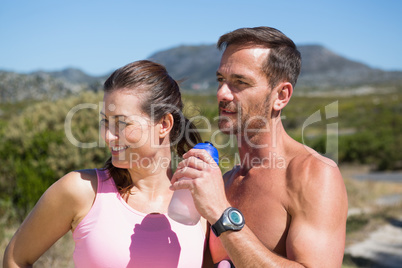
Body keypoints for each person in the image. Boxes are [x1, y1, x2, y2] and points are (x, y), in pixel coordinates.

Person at [171, 26, 348, 267]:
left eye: (240, 82)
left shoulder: (313, 174)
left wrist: (222, 214)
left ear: (281, 96)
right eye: (221, 80)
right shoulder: (224, 181)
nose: (222, 93)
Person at [3, 60, 208, 267]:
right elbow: (15, 259)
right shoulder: (82, 191)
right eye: (105, 122)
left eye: (121, 123)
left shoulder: (200, 202)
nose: (108, 136)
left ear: (164, 124)